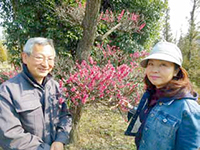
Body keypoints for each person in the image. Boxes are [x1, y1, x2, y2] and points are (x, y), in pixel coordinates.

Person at [125, 41, 200, 150]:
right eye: (151, 64)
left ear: (176, 71)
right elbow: (153, 116)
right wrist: (131, 108)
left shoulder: (188, 109)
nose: (154, 70)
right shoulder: (152, 94)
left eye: (163, 65)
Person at [0, 37, 72, 150]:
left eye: (50, 59)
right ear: (25, 57)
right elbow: (9, 134)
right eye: (39, 58)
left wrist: (60, 140)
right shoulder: (7, 90)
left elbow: (64, 116)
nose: (45, 64)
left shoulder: (55, 86)